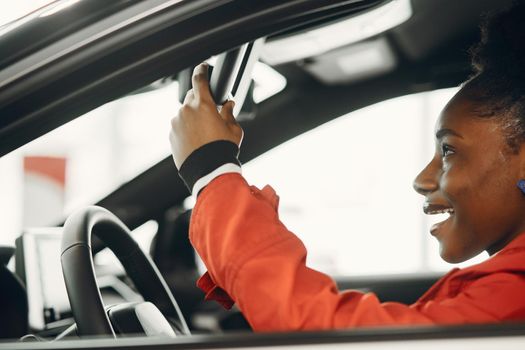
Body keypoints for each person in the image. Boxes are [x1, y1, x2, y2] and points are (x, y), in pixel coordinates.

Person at [169, 2, 525, 331]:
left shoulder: (514, 297)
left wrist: (212, 171)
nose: (422, 179)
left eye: (448, 151)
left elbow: (325, 332)